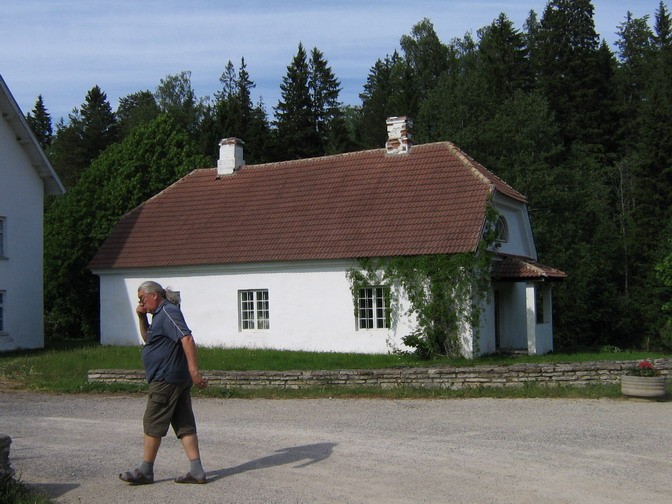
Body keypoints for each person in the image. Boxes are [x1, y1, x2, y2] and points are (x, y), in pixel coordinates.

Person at [119, 281, 208, 485]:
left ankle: (146, 471)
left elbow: (186, 338)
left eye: (142, 298)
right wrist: (141, 316)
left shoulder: (168, 312)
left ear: (154, 296)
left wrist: (194, 371)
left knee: (152, 422)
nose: (141, 303)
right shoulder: (159, 316)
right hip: (174, 380)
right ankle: (197, 470)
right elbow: (148, 338)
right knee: (184, 423)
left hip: (166, 380)